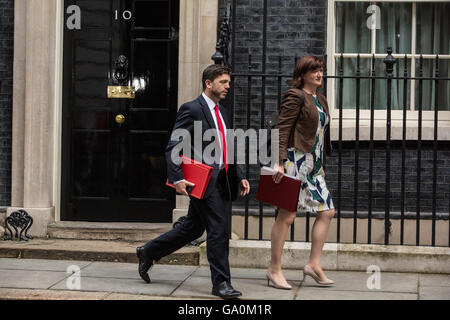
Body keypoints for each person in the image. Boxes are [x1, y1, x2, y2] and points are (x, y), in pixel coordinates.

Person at [136, 65, 250, 300]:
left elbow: (228, 148)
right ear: (208, 83)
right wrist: (177, 176)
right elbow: (174, 144)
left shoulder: (223, 112)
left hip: (221, 180)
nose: (228, 86)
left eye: (228, 82)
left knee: (193, 228)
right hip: (202, 181)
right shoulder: (192, 109)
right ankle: (221, 284)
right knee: (219, 229)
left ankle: (148, 251)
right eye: (223, 82)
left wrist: (239, 174)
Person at [268, 55, 335, 289]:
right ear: (303, 74)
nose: (319, 74)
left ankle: (313, 264)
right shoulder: (295, 96)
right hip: (294, 161)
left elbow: (319, 135)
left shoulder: (321, 99)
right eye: (314, 70)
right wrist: (278, 162)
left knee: (327, 211)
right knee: (287, 216)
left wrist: (321, 164)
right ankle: (274, 269)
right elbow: (282, 127)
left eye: (321, 70)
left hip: (314, 165)